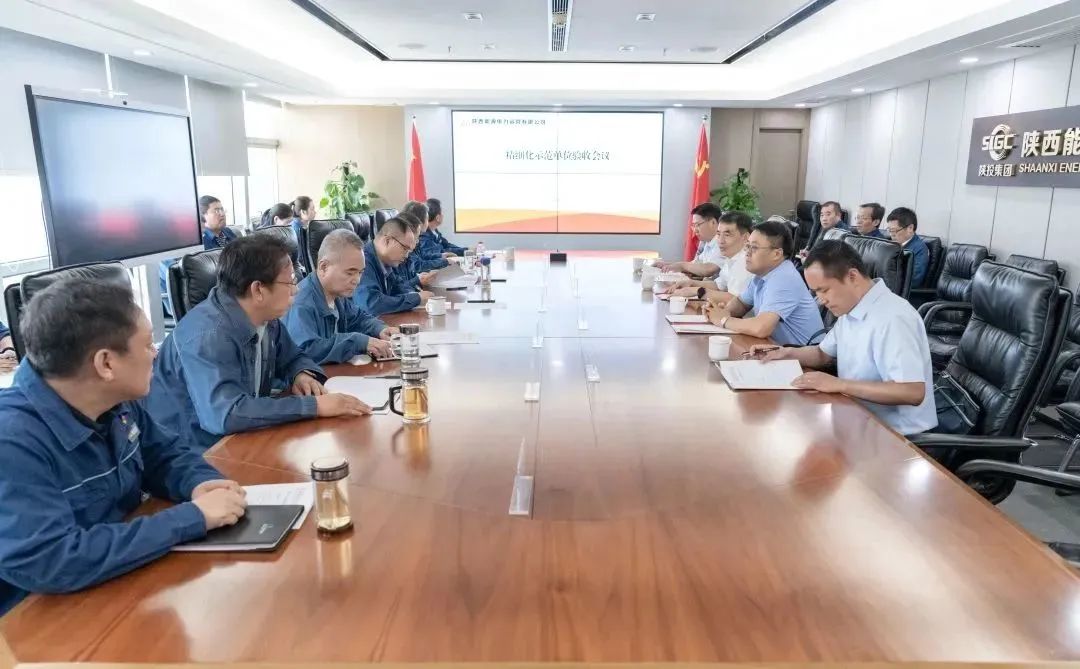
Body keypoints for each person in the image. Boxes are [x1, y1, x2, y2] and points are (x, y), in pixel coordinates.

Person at [0, 280, 248, 615]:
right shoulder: (12, 440)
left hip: (119, 580)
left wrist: (199, 483)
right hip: (43, 618)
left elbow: (163, 454)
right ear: (106, 364)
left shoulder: (114, 400)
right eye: (147, 344)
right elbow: (52, 559)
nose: (156, 353)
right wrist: (191, 518)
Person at [147, 235, 372, 451]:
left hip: (242, 436)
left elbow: (294, 356)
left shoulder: (266, 318)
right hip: (191, 452)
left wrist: (300, 374)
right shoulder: (207, 336)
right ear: (258, 290)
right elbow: (227, 414)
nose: (296, 290)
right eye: (290, 282)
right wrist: (315, 406)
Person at [752, 241, 936, 435]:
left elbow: (912, 391)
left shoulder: (893, 318)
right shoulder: (852, 307)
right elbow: (822, 354)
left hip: (897, 435)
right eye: (816, 292)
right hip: (856, 417)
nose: (821, 300)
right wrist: (786, 353)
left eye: (824, 290)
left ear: (852, 276)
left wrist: (839, 384)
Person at [284, 229, 398, 365]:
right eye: (350, 273)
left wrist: (380, 329)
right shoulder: (301, 303)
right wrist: (357, 342)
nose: (357, 280)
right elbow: (306, 350)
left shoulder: (337, 294)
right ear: (324, 267)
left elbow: (357, 318)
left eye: (360, 272)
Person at [703, 220, 824, 346]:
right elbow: (742, 304)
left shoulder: (784, 278)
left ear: (776, 254)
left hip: (804, 355)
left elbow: (761, 328)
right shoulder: (763, 274)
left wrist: (723, 320)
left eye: (754, 247)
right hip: (778, 349)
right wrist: (720, 311)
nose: (747, 252)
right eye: (747, 246)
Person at [160, 195, 238, 317]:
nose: (222, 214)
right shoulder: (172, 248)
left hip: (220, 290)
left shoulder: (227, 233)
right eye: (216, 210)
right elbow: (185, 283)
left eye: (222, 209)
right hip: (192, 301)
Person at [666, 211, 754, 307]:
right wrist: (691, 283)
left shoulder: (745, 262)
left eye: (727, 235)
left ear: (745, 237)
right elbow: (719, 286)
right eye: (718, 234)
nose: (720, 241)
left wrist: (697, 290)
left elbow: (736, 300)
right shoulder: (732, 258)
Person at [355, 216, 433, 316]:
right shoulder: (363, 261)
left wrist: (417, 295)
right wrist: (416, 298)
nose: (406, 255)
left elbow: (399, 287)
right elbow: (372, 304)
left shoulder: (386, 262)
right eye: (405, 248)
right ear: (387, 241)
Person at [654, 203, 725, 276]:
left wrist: (681, 266)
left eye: (697, 225)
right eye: (693, 226)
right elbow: (696, 264)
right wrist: (665, 265)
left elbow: (708, 269)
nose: (695, 230)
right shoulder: (708, 243)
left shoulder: (723, 242)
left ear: (713, 222)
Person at [390, 209, 439, 292]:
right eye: (416, 238)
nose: (417, 241)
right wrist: (417, 281)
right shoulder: (394, 259)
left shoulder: (406, 256)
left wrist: (419, 278)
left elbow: (406, 281)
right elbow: (395, 291)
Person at [886, 206, 930, 288]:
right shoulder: (891, 244)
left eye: (894, 230)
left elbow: (914, 280)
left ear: (910, 228)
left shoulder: (920, 249)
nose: (891, 234)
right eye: (889, 230)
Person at [400, 201, 448, 273]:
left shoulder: (415, 236)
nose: (428, 222)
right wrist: (443, 261)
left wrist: (441, 256)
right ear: (419, 221)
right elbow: (417, 265)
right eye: (427, 219)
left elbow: (421, 256)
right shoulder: (410, 240)